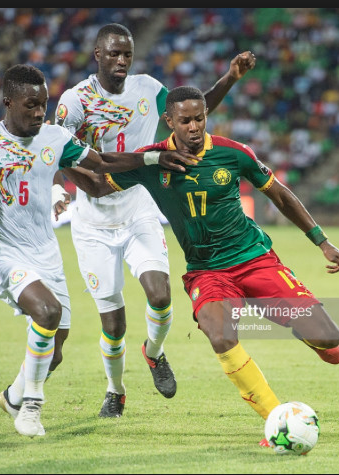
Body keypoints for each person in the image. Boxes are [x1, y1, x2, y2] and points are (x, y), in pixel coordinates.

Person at [0, 64, 196, 438]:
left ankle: (13, 395)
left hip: (46, 255)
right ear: (8, 102)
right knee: (48, 313)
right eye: (31, 105)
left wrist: (151, 158)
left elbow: (101, 162)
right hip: (4, 255)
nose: (39, 113)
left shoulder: (54, 137)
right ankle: (31, 407)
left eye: (43, 105)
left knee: (57, 349)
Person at [64, 86, 339, 444]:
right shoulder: (152, 161)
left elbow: (278, 193)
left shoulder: (233, 153)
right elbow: (99, 186)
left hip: (253, 259)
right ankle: (274, 419)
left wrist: (321, 241)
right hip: (207, 272)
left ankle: (287, 319)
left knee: (329, 339)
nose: (194, 126)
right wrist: (63, 160)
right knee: (220, 334)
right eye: (185, 121)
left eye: (199, 118)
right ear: (169, 122)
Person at [54, 23, 257, 417]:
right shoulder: (74, 101)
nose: (121, 61)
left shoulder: (147, 89)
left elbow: (193, 111)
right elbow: (59, 151)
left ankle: (155, 352)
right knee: (112, 323)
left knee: (161, 295)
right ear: (97, 54)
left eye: (126, 54)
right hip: (92, 224)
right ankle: (115, 391)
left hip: (139, 209)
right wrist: (82, 187)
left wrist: (230, 78)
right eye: (113, 54)